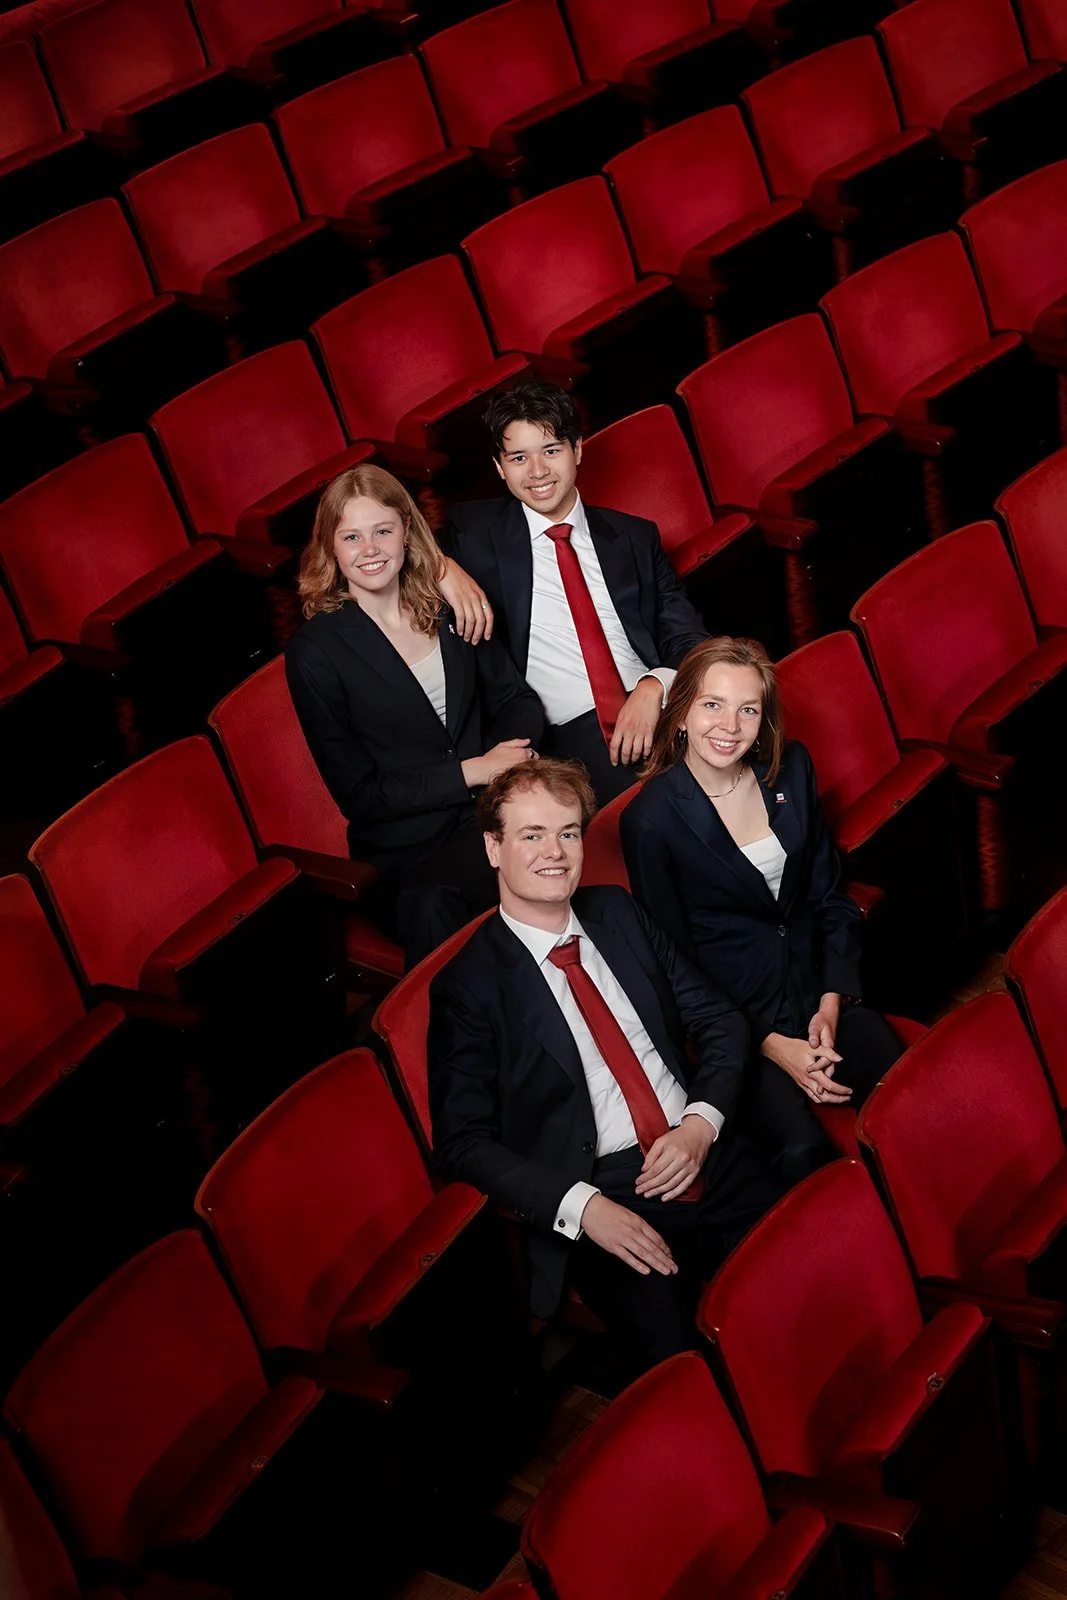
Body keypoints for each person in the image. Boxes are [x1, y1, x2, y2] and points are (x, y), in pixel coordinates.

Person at [428, 758, 781, 1377]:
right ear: (493, 847)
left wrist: (700, 1123)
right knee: (678, 1363)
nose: (555, 852)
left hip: (701, 1143)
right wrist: (583, 1206)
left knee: (801, 1282)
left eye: (568, 832)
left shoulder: (616, 913)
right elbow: (462, 1143)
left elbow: (721, 1022)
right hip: (605, 1187)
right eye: (531, 835)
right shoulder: (469, 985)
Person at [620, 636, 902, 1185]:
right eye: (712, 704)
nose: (730, 725)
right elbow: (678, 968)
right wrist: (777, 1049)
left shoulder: (790, 769)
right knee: (802, 1156)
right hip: (740, 1027)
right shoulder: (650, 821)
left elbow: (829, 899)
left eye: (747, 708)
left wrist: (830, 1005)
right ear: (679, 716)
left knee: (909, 1097)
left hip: (816, 991)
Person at [285, 464, 543, 969]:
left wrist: (511, 758)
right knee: (442, 907)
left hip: (495, 812)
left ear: (407, 530)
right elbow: (361, 797)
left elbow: (516, 699)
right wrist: (474, 770)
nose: (371, 549)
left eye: (383, 531)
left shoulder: (449, 608)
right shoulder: (315, 652)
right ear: (332, 549)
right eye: (352, 536)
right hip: (408, 854)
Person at [438, 381, 707, 805]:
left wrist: (653, 686)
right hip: (569, 736)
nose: (538, 471)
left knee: (768, 765)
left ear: (577, 450)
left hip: (660, 706)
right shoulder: (473, 534)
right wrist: (443, 568)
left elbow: (689, 639)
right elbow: (388, 539)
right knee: (671, 807)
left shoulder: (634, 537)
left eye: (551, 450)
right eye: (519, 458)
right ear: (499, 467)